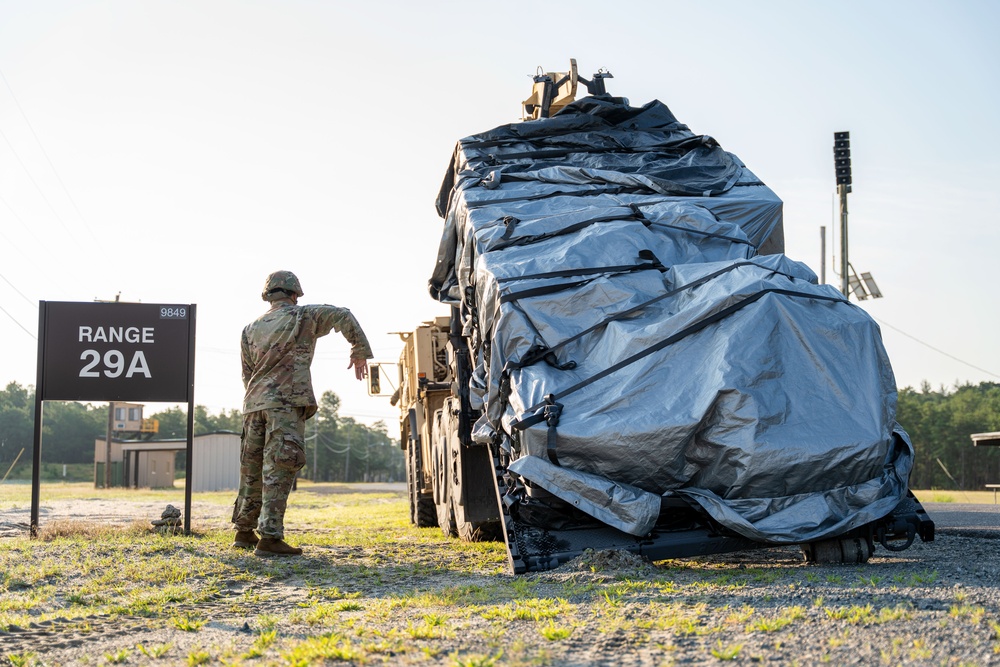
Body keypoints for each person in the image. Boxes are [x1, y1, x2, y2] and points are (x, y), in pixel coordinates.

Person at [232, 270, 372, 556]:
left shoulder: (250, 328)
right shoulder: (302, 316)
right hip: (285, 404)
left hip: (254, 404)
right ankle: (270, 537)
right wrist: (359, 350)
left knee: (251, 470)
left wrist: (260, 397)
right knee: (280, 466)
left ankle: (244, 532)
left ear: (268, 296)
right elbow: (343, 315)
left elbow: (246, 373)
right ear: (295, 294)